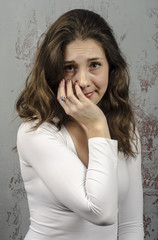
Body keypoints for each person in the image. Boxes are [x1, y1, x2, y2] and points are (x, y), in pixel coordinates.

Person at [16, 9, 144, 240]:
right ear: (53, 72)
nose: (83, 81)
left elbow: (131, 225)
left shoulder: (125, 127)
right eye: (69, 67)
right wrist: (96, 126)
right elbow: (101, 212)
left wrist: (101, 125)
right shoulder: (35, 132)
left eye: (94, 65)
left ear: (111, 69)